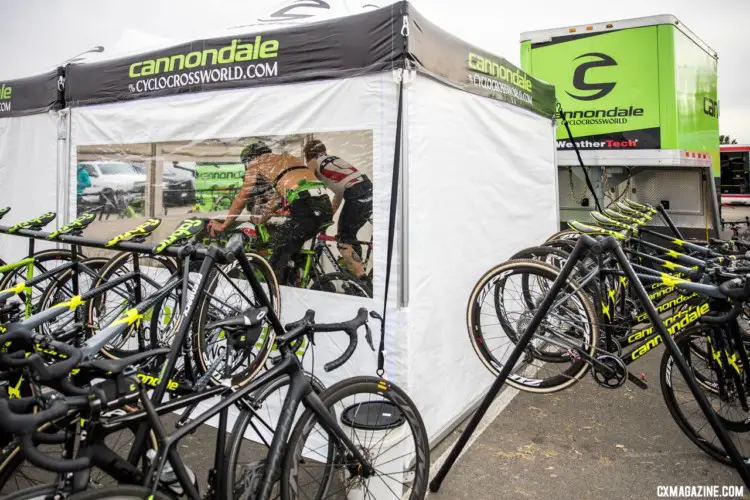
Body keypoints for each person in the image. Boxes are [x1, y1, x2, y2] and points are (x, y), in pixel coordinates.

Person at [207, 142, 333, 284]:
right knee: (290, 246)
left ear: (251, 158)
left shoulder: (256, 163)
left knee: (276, 258)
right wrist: (262, 217)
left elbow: (241, 197)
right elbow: (277, 199)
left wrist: (224, 225)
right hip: (324, 206)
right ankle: (305, 279)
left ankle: (273, 297)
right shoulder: (287, 159)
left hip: (305, 205)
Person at [303, 139, 373, 282]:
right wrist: (329, 216)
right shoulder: (333, 160)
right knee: (350, 237)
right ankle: (358, 272)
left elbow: (307, 183)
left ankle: (361, 280)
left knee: (343, 239)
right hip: (368, 190)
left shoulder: (313, 162)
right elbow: (338, 196)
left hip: (355, 195)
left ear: (307, 154)